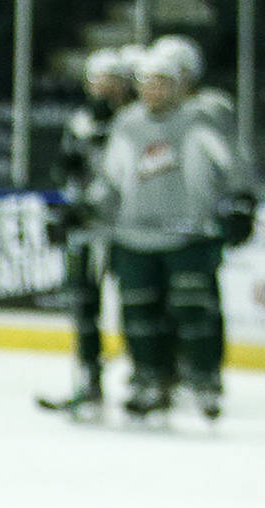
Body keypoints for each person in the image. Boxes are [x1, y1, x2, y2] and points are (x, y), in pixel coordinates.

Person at [95, 44, 248, 419]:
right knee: (139, 315)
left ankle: (204, 379)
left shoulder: (200, 120)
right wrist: (90, 208)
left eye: (163, 83)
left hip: (189, 235)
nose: (155, 90)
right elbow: (110, 180)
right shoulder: (127, 124)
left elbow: (234, 168)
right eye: (149, 82)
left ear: (180, 85)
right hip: (133, 237)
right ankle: (150, 379)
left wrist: (241, 203)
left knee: (195, 311)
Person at [37, 49, 134, 417]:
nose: (104, 87)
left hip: (126, 226)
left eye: (113, 79)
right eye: (98, 79)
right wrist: (66, 176)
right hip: (86, 227)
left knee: (138, 305)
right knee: (82, 304)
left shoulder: (138, 121)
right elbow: (68, 172)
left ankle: (153, 379)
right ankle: (88, 382)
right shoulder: (80, 120)